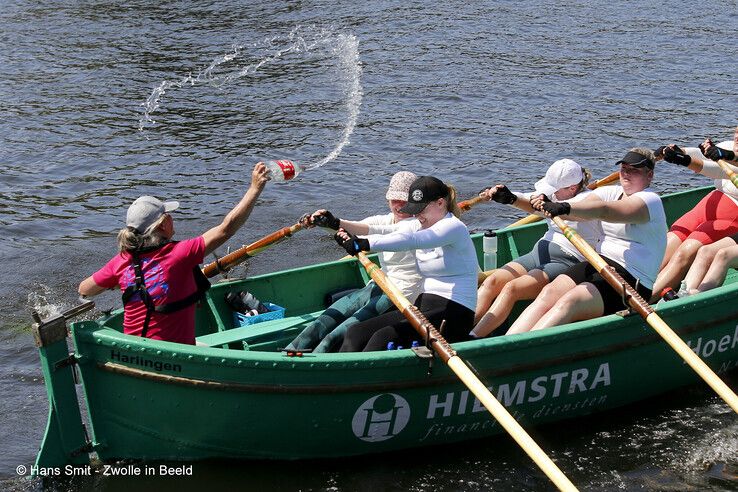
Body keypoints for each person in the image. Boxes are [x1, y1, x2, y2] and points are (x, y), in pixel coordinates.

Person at [78, 162, 269, 345]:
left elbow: (84, 290)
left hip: (134, 351)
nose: (172, 218)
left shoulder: (120, 262)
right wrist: (254, 189)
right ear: (162, 224)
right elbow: (225, 229)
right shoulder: (180, 254)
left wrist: (120, 283)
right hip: (173, 355)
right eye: (169, 215)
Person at [506, 148, 666, 335]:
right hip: (599, 263)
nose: (626, 174)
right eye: (623, 169)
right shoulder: (610, 192)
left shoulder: (650, 201)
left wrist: (563, 207)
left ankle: (523, 351)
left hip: (631, 281)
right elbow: (580, 209)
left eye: (634, 170)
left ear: (649, 175)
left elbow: (605, 210)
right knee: (549, 293)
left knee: (570, 301)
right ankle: (504, 344)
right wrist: (516, 199)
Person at [336, 175, 478, 352]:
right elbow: (386, 231)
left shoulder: (453, 227)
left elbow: (413, 240)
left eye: (422, 209)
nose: (418, 215)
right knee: (356, 332)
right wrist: (339, 226)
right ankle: (337, 378)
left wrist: (365, 244)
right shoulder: (420, 224)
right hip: (423, 307)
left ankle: (362, 377)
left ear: (441, 203)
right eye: (415, 210)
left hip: (455, 314)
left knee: (384, 336)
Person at [285, 171, 423, 353]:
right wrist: (323, 223)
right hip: (377, 284)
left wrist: (337, 224)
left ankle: (314, 366)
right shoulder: (383, 219)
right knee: (323, 320)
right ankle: (289, 353)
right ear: (388, 199)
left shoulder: (418, 225)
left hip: (401, 294)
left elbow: (378, 232)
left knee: (337, 334)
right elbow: (353, 229)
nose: (399, 205)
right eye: (394, 199)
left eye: (404, 200)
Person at [472, 159, 602, 338]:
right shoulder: (558, 193)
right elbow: (531, 201)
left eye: (555, 190)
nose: (551, 194)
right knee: (492, 282)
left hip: (566, 260)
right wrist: (508, 197)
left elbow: (575, 213)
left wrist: (553, 207)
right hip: (538, 252)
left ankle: (472, 339)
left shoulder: (589, 202)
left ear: (572, 188)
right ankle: (458, 333)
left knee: (511, 289)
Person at [650, 126, 738, 299]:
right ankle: (635, 285)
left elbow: (718, 170)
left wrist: (685, 161)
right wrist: (679, 151)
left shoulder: (729, 156)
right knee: (669, 242)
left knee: (684, 253)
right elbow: (703, 154)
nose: (737, 139)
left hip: (732, 216)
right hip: (709, 204)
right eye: (737, 134)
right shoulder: (728, 146)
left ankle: (646, 298)